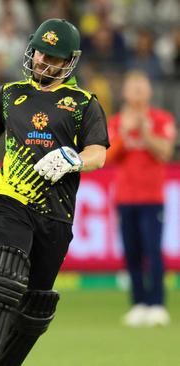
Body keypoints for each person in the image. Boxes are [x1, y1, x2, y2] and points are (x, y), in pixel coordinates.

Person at [0, 19, 109, 365]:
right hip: (10, 200)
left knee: (35, 305)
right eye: (41, 53)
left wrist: (73, 158)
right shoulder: (10, 94)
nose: (44, 61)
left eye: (53, 57)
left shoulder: (83, 103)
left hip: (57, 214)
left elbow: (98, 154)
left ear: (69, 61)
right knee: (2, 277)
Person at [107, 71, 176, 327]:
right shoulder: (116, 123)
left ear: (149, 91)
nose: (136, 91)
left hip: (152, 197)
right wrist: (125, 134)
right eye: (132, 87)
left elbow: (166, 152)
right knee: (132, 252)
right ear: (125, 92)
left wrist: (145, 133)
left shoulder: (161, 119)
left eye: (141, 86)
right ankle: (138, 303)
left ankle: (157, 304)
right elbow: (109, 157)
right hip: (125, 198)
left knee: (153, 251)